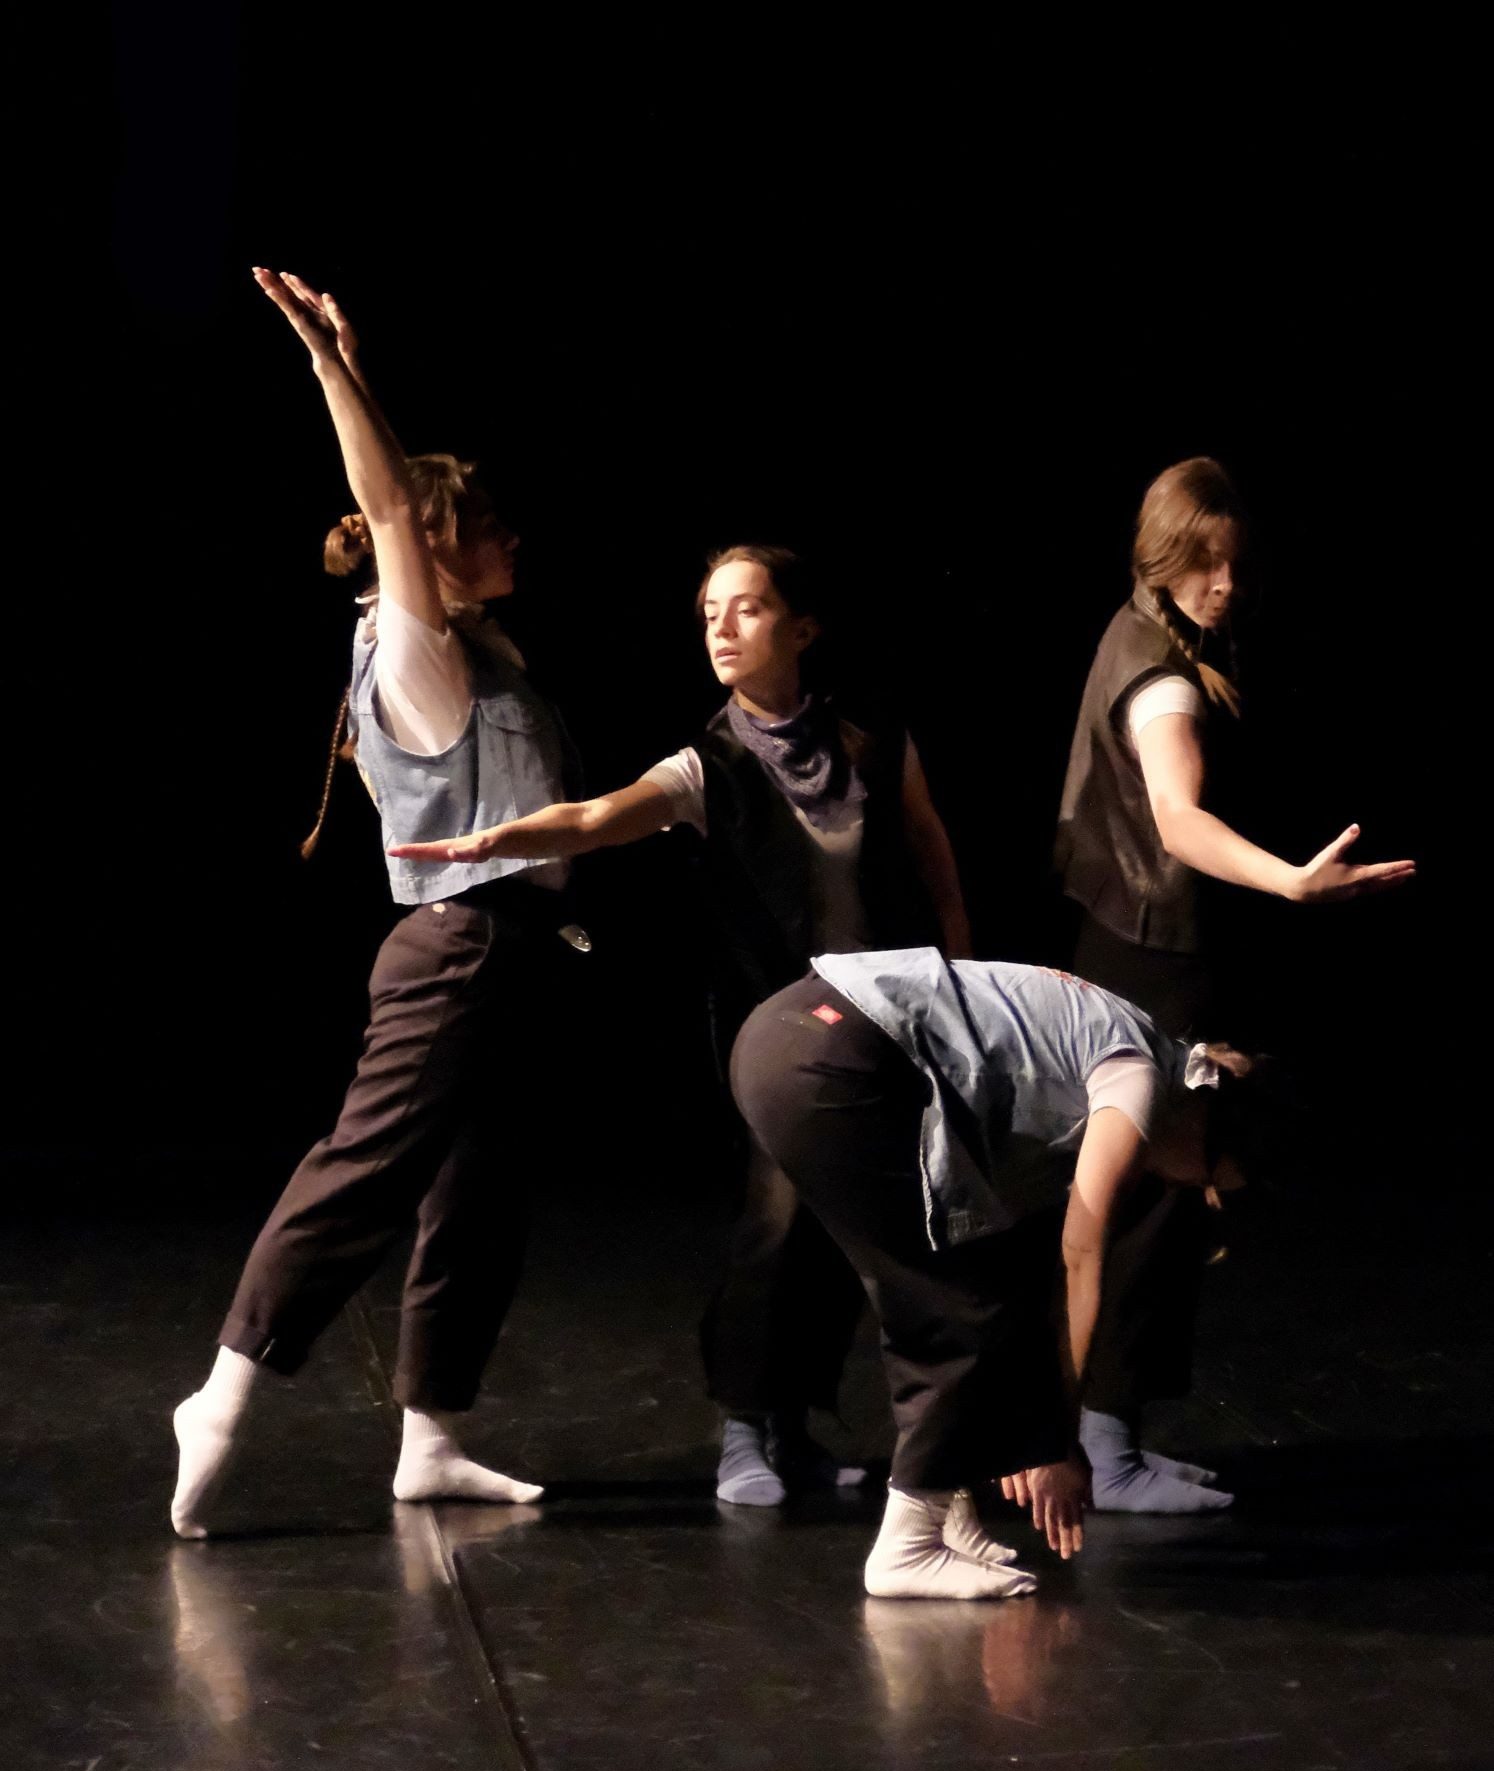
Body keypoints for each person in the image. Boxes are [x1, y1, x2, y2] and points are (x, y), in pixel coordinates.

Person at [391, 545, 972, 1505]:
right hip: (782, 1038)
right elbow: (597, 819)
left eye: (747, 609)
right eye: (709, 613)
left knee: (851, 1232)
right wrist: (501, 838)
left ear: (802, 627)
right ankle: (743, 1429)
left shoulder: (873, 741)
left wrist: (959, 982)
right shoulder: (711, 764)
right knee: (775, 1223)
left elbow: (933, 860)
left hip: (886, 1019)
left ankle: (794, 1428)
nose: (722, 628)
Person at [170, 270, 582, 1537]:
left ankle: (432, 1437)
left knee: (479, 1194)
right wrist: (332, 366)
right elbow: (392, 500)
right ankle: (221, 1396)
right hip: (457, 949)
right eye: (486, 523)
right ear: (435, 549)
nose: (510, 535)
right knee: (365, 1170)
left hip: (511, 953)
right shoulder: (411, 644)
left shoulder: (481, 653)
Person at [1053, 456, 1414, 1512]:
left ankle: (1112, 1438)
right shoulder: (1162, 679)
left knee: (1156, 1197)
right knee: (1155, 1197)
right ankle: (1106, 1450)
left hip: (1132, 942)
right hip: (1154, 959)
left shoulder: (1147, 629)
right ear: (1160, 557)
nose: (1224, 583)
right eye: (1201, 562)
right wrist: (1291, 883)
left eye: (1235, 563)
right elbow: (1176, 817)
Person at [730, 948, 1273, 1599]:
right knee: (962, 1306)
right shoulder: (1138, 1080)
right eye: (1206, 1180)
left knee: (959, 1283)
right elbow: (1082, 1255)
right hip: (829, 1054)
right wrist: (1056, 1437)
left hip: (784, 1034)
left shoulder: (1133, 1042)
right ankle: (906, 1546)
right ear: (1206, 1124)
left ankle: (946, 1516)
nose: (1191, 1191)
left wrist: (1025, 1423)